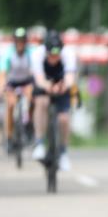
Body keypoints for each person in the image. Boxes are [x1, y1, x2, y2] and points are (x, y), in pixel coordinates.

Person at [31, 33, 77, 171]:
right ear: (46, 51)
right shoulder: (37, 54)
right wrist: (49, 87)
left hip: (61, 84)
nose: (54, 58)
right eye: (51, 54)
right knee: (41, 103)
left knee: (64, 118)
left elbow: (70, 78)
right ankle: (39, 143)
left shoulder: (69, 54)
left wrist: (62, 87)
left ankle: (63, 152)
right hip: (44, 83)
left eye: (57, 54)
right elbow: (39, 79)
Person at [0, 27, 37, 149]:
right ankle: (9, 137)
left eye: (22, 40)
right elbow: (2, 73)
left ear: (25, 41)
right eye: (18, 40)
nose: (20, 43)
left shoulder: (32, 52)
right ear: (14, 41)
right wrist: (0, 86)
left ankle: (29, 123)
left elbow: (37, 70)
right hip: (12, 83)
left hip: (27, 81)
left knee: (33, 99)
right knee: (10, 105)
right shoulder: (8, 53)